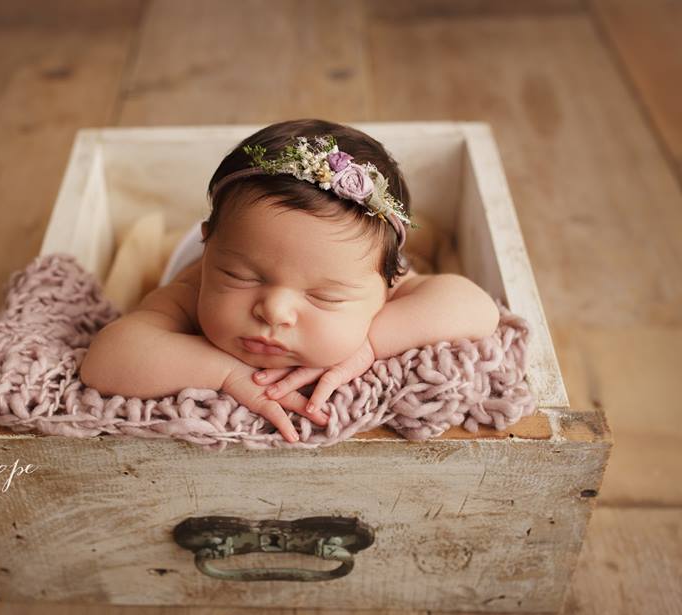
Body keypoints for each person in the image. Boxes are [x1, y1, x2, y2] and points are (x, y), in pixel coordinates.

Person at [79, 119, 500, 443]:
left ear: (388, 286)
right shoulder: (195, 285)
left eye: (324, 297)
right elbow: (108, 359)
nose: (273, 311)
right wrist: (226, 374)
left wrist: (371, 345)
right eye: (240, 276)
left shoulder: (378, 276)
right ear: (209, 252)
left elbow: (475, 307)